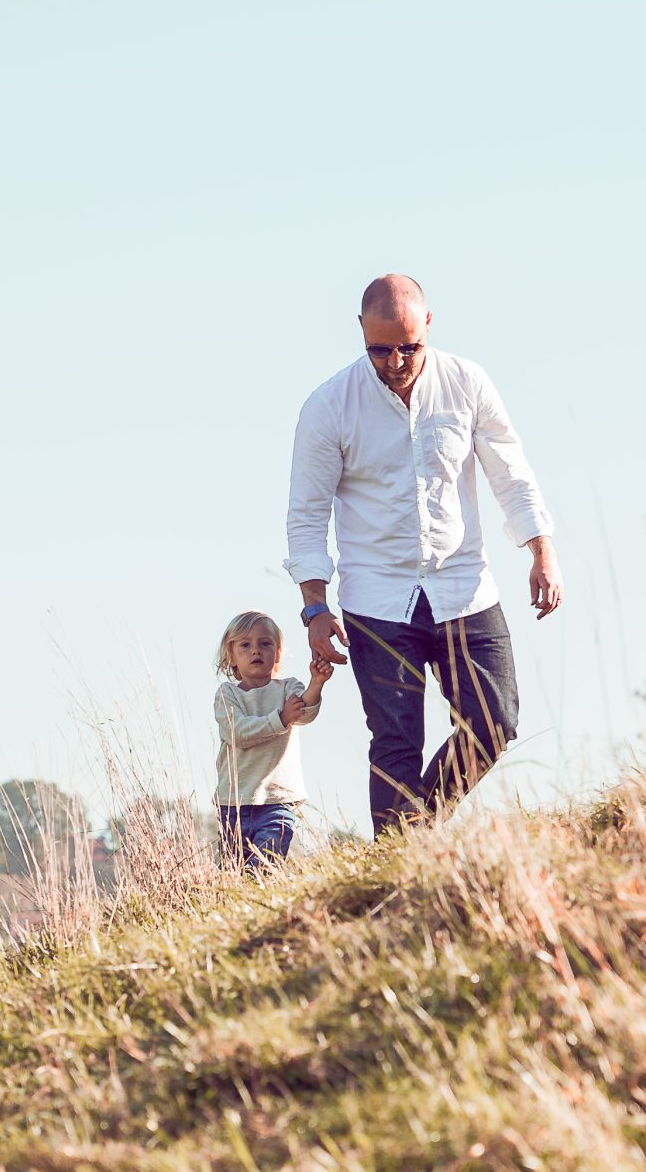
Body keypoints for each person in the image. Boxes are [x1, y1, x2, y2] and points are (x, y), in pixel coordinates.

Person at [284, 274, 562, 836]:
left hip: (464, 586)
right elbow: (307, 515)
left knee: (495, 722)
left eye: (408, 346)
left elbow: (510, 472)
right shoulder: (328, 406)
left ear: (428, 325)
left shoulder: (467, 383)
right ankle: (394, 864)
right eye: (380, 348)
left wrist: (542, 550)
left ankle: (415, 828)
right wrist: (314, 608)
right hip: (377, 598)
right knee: (395, 744)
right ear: (361, 332)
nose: (395, 360)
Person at [212, 610, 332, 867]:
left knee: (264, 866)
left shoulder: (288, 688)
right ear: (231, 656)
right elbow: (239, 733)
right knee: (233, 875)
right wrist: (280, 718)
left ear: (277, 653)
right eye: (245, 645)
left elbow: (305, 712)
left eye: (265, 644)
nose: (255, 651)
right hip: (233, 803)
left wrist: (317, 683)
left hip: (277, 801)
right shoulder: (227, 694)